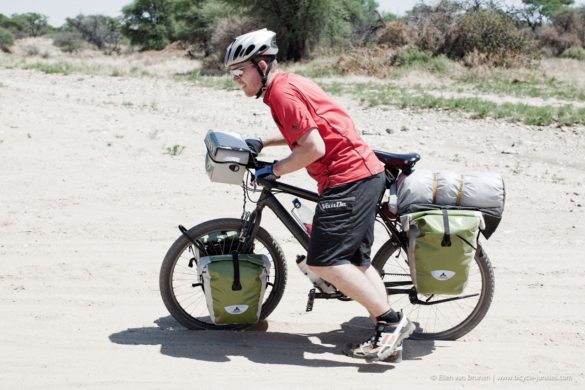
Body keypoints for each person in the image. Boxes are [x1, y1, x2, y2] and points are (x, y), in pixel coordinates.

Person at [224, 28, 415, 362]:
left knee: (323, 261)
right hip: (362, 173)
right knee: (356, 262)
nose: (236, 79)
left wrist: (276, 169)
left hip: (348, 179)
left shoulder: (282, 94)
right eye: (233, 74)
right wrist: (265, 143)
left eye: (240, 71)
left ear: (262, 65)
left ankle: (391, 321)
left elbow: (312, 147)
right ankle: (386, 332)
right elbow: (313, 127)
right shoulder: (288, 85)